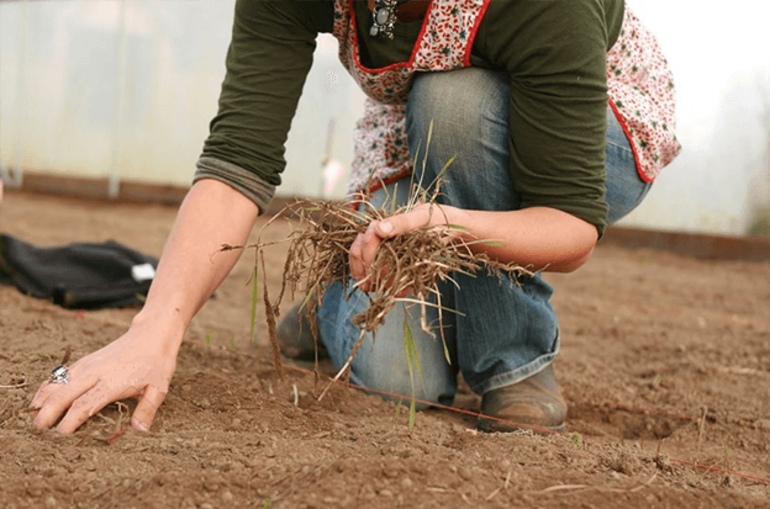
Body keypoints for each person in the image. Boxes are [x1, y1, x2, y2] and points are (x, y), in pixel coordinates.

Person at [31, 0, 680, 434]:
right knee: (403, 379)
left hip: (590, 132)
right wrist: (153, 332)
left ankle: (512, 359)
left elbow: (568, 224)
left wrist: (447, 227)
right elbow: (238, 162)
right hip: (419, 132)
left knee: (454, 99)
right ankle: (331, 299)